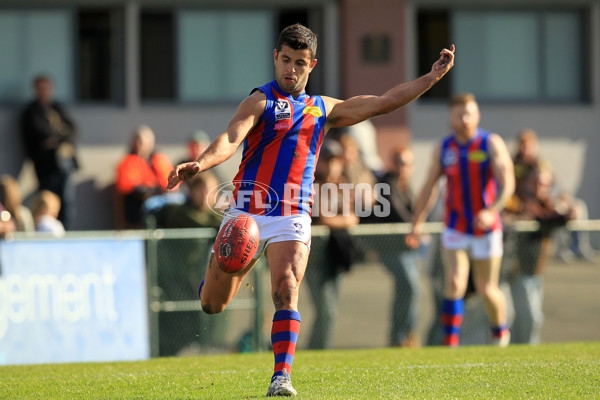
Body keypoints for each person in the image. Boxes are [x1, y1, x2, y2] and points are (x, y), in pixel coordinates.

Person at [167, 24, 454, 396]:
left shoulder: (323, 109)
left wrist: (431, 78)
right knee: (212, 306)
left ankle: (281, 376)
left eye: (299, 63)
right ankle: (212, 278)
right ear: (275, 58)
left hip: (292, 215)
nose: (291, 69)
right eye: (285, 60)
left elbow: (384, 101)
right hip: (247, 215)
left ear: (311, 65)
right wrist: (200, 164)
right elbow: (231, 138)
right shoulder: (260, 101)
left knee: (287, 288)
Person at [406, 93, 514, 347]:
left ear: (477, 116)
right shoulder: (443, 148)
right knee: (454, 282)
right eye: (459, 114)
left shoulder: (490, 143)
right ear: (451, 117)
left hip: (486, 228)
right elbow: (429, 187)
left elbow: (507, 182)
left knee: (487, 289)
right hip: (455, 226)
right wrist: (416, 222)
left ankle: (500, 335)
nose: (465, 119)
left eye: (470, 114)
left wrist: (492, 210)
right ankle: (451, 343)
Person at [503, 165, 575, 344]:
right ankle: (521, 354)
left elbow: (568, 214)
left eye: (543, 184)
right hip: (517, 270)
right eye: (535, 183)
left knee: (531, 317)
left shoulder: (549, 203)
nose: (538, 188)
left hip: (535, 271)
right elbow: (534, 215)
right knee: (527, 317)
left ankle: (527, 354)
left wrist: (563, 206)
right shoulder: (521, 201)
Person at [307, 139, 360, 350]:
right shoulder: (311, 184)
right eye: (327, 161)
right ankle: (318, 350)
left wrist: (336, 220)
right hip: (314, 256)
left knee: (330, 308)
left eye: (335, 161)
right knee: (325, 308)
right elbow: (321, 217)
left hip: (335, 253)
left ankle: (317, 350)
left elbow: (353, 217)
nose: (331, 166)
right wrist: (340, 220)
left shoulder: (343, 184)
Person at [20, 74, 79, 229]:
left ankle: (66, 232)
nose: (44, 91)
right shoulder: (31, 111)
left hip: (64, 165)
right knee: (46, 202)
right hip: (46, 166)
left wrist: (56, 139)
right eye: (41, 88)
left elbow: (72, 130)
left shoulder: (57, 108)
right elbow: (40, 134)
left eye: (46, 88)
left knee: (66, 203)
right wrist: (60, 135)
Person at [377, 146, 421, 347]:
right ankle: (399, 335)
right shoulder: (388, 182)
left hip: (405, 247)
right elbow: (396, 210)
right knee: (409, 286)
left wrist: (418, 227)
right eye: (400, 163)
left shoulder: (406, 185)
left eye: (408, 164)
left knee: (411, 289)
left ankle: (406, 334)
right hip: (389, 247)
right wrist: (413, 228)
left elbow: (413, 209)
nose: (404, 168)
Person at [114, 124, 175, 229]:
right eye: (138, 141)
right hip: (138, 205)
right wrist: (151, 190)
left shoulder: (159, 159)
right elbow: (127, 186)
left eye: (144, 142)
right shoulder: (128, 162)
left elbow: (170, 183)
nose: (140, 145)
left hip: (162, 201)